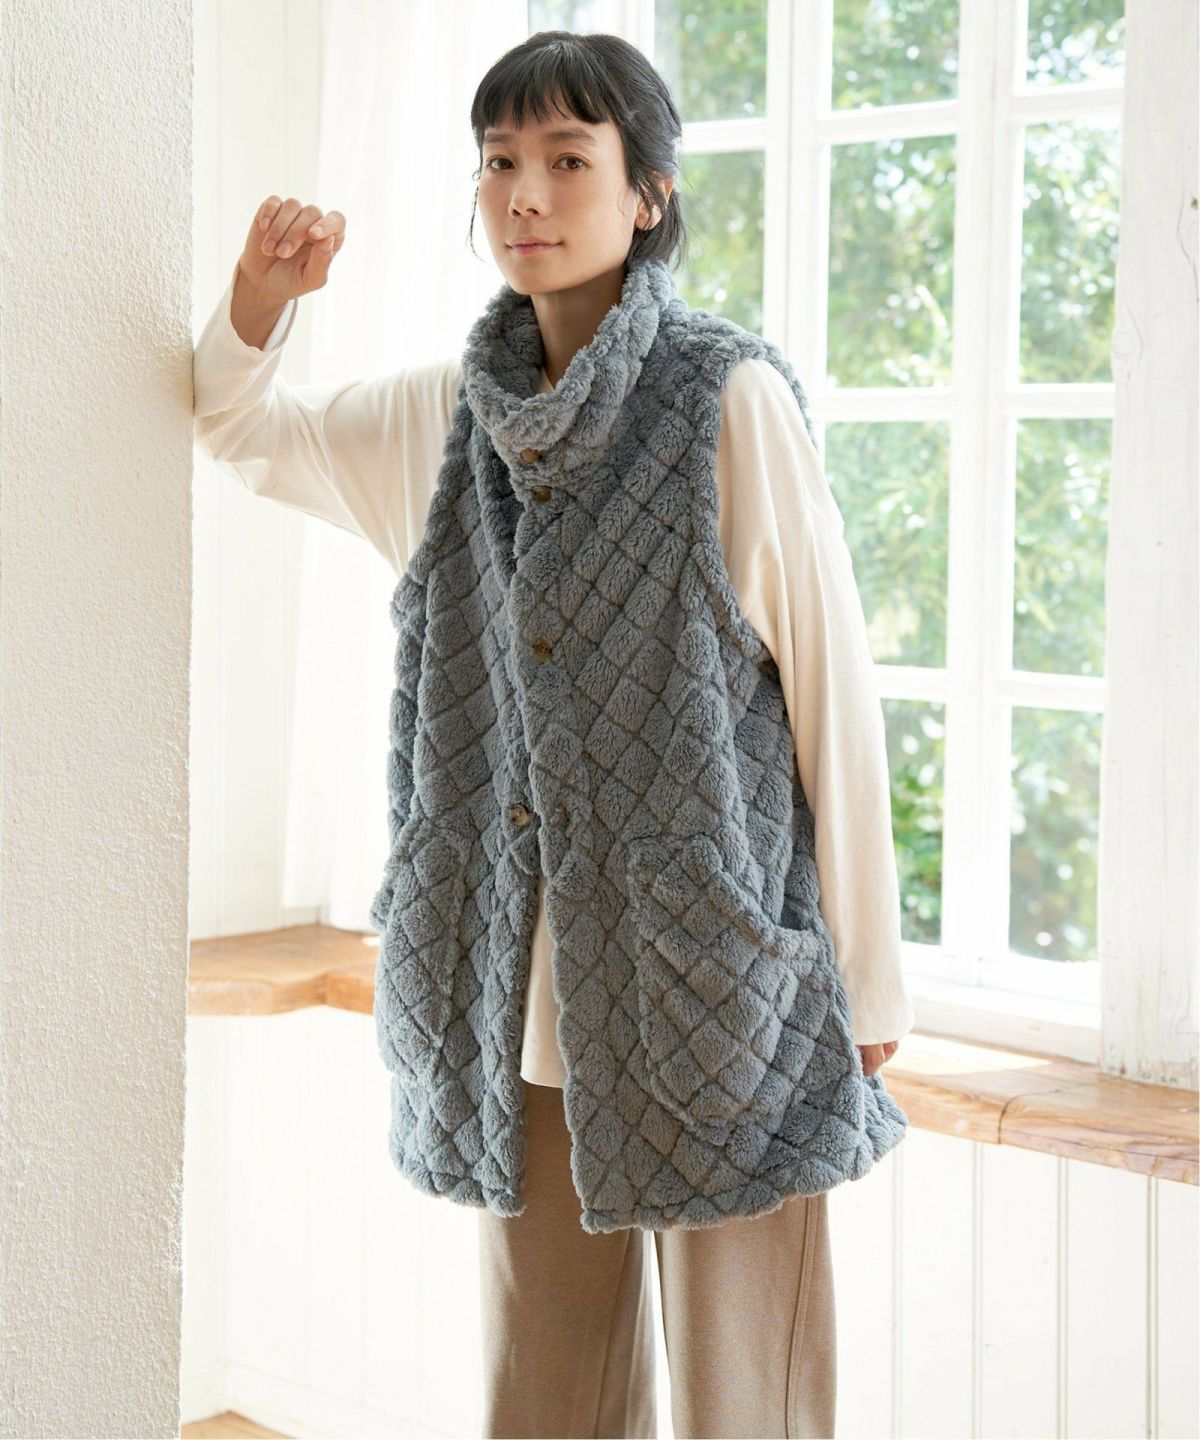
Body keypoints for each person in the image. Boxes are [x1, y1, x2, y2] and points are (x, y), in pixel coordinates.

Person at [194, 28, 916, 1439]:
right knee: (544, 1400)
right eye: (498, 161)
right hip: (513, 1003)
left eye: (568, 159)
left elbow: (832, 691)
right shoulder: (447, 416)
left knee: (750, 1404)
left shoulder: (728, 401)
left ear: (647, 193)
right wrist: (259, 301)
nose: (524, 193)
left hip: (716, 995)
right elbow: (243, 427)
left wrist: (869, 987)